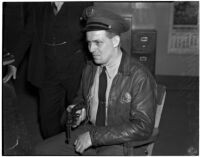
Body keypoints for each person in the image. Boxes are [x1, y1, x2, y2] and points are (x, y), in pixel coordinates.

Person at [34, 6, 157, 155]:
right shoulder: (90, 68)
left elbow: (143, 126)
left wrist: (94, 137)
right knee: (40, 151)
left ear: (115, 41)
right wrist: (78, 110)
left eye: (98, 42)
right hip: (90, 130)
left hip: (121, 142)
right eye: (89, 43)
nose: (91, 49)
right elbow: (82, 98)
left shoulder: (139, 76)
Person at [3, 2, 92, 139]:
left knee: (77, 114)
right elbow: (29, 31)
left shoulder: (82, 4)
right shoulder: (38, 5)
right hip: (47, 69)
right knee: (47, 118)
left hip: (76, 69)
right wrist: (14, 62)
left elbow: (93, 31)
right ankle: (53, 148)